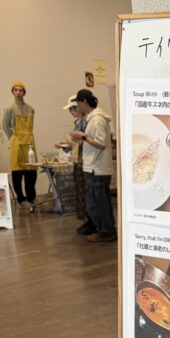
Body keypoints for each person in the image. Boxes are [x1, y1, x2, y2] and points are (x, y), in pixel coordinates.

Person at [71, 89, 114, 242]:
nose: (77, 107)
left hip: (97, 167)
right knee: (99, 201)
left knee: (98, 203)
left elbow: (101, 144)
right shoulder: (94, 118)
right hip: (95, 166)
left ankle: (106, 231)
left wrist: (83, 136)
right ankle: (105, 229)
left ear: (84, 102)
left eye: (78, 103)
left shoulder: (97, 120)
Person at [2, 81, 38, 208]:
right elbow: (5, 126)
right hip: (16, 141)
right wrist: (13, 138)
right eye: (15, 90)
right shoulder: (9, 109)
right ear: (12, 92)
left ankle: (31, 197)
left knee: (31, 171)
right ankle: (21, 199)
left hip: (29, 141)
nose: (18, 92)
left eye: (20, 90)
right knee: (17, 171)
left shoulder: (31, 109)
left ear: (24, 92)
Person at [57, 95, 89, 231]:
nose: (71, 112)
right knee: (81, 193)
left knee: (86, 194)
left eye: (72, 109)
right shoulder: (78, 123)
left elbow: (85, 141)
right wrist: (64, 145)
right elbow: (73, 144)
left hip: (85, 162)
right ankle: (86, 221)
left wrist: (70, 143)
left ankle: (90, 222)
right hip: (78, 161)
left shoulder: (87, 121)